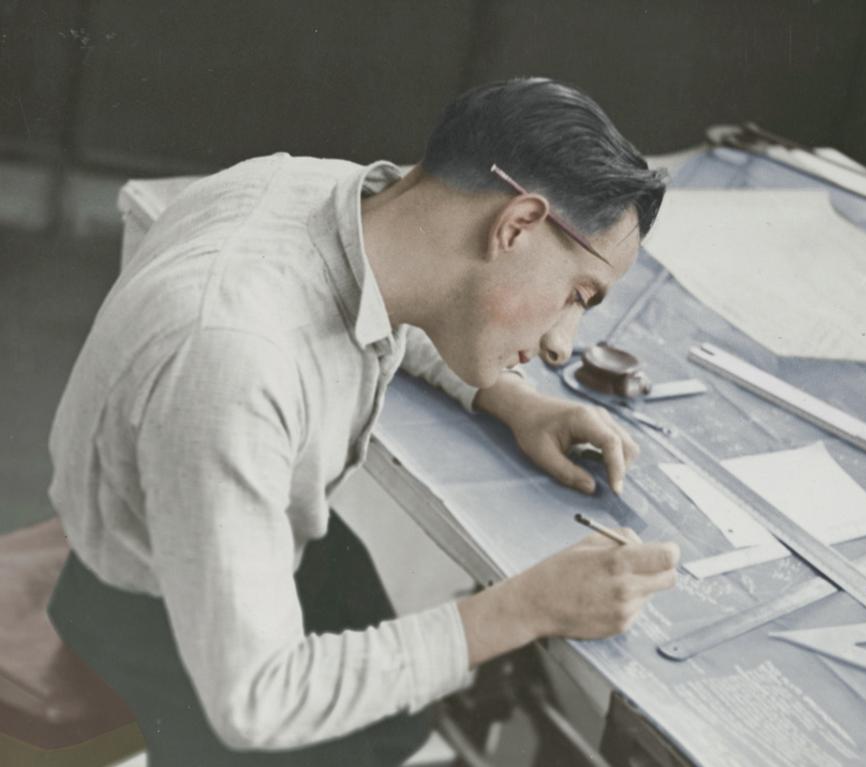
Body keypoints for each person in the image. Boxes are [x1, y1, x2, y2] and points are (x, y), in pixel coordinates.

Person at [46, 77, 678, 765]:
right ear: (517, 225)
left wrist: (510, 396)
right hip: (151, 607)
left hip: (253, 519)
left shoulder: (318, 194)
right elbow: (258, 696)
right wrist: (528, 607)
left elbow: (404, 294)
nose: (563, 342)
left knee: (399, 723)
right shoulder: (233, 360)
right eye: (576, 295)